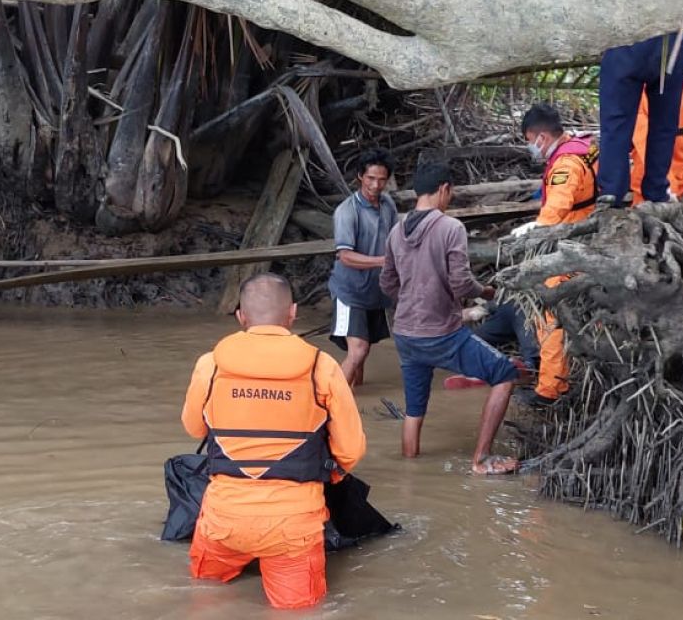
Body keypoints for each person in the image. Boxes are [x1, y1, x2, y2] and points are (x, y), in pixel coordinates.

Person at [182, 273, 366, 610]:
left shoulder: (210, 365)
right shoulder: (321, 368)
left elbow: (194, 428)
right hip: (293, 527)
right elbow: (351, 451)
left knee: (206, 596)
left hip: (224, 520)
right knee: (298, 612)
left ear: (241, 316)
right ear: (293, 313)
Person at [380, 161, 519, 475]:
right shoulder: (450, 227)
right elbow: (461, 283)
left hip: (404, 333)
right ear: (444, 189)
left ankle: (409, 469)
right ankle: (481, 460)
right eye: (451, 192)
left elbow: (387, 283)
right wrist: (487, 293)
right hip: (441, 333)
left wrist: (412, 299)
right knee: (505, 374)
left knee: (414, 408)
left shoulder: (395, 231)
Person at [479, 103, 597, 406]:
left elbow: (556, 210)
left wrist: (533, 229)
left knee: (549, 316)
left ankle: (551, 389)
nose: (531, 148)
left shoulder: (565, 165)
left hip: (572, 248)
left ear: (541, 137)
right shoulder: (583, 147)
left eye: (530, 141)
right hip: (585, 239)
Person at [596, 0, 683, 208]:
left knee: (616, 123)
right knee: (664, 123)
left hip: (625, 42)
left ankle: (613, 192)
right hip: (669, 41)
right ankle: (656, 191)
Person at [327, 148, 398, 388]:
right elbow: (345, 256)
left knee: (362, 353)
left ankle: (354, 398)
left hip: (375, 291)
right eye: (370, 178)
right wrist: (382, 261)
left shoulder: (388, 205)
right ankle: (329, 403)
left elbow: (395, 240)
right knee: (358, 350)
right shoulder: (347, 211)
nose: (376, 185)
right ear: (360, 176)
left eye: (381, 180)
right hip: (350, 291)